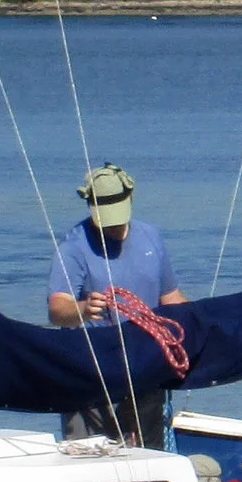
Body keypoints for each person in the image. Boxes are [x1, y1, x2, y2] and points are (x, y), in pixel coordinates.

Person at [47, 164, 189, 444]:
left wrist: (202, 323)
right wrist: (84, 309)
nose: (113, 225)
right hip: (91, 373)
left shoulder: (151, 237)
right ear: (90, 206)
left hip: (146, 367)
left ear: (131, 198)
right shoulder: (73, 247)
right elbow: (56, 310)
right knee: (88, 455)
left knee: (150, 455)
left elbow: (170, 299)